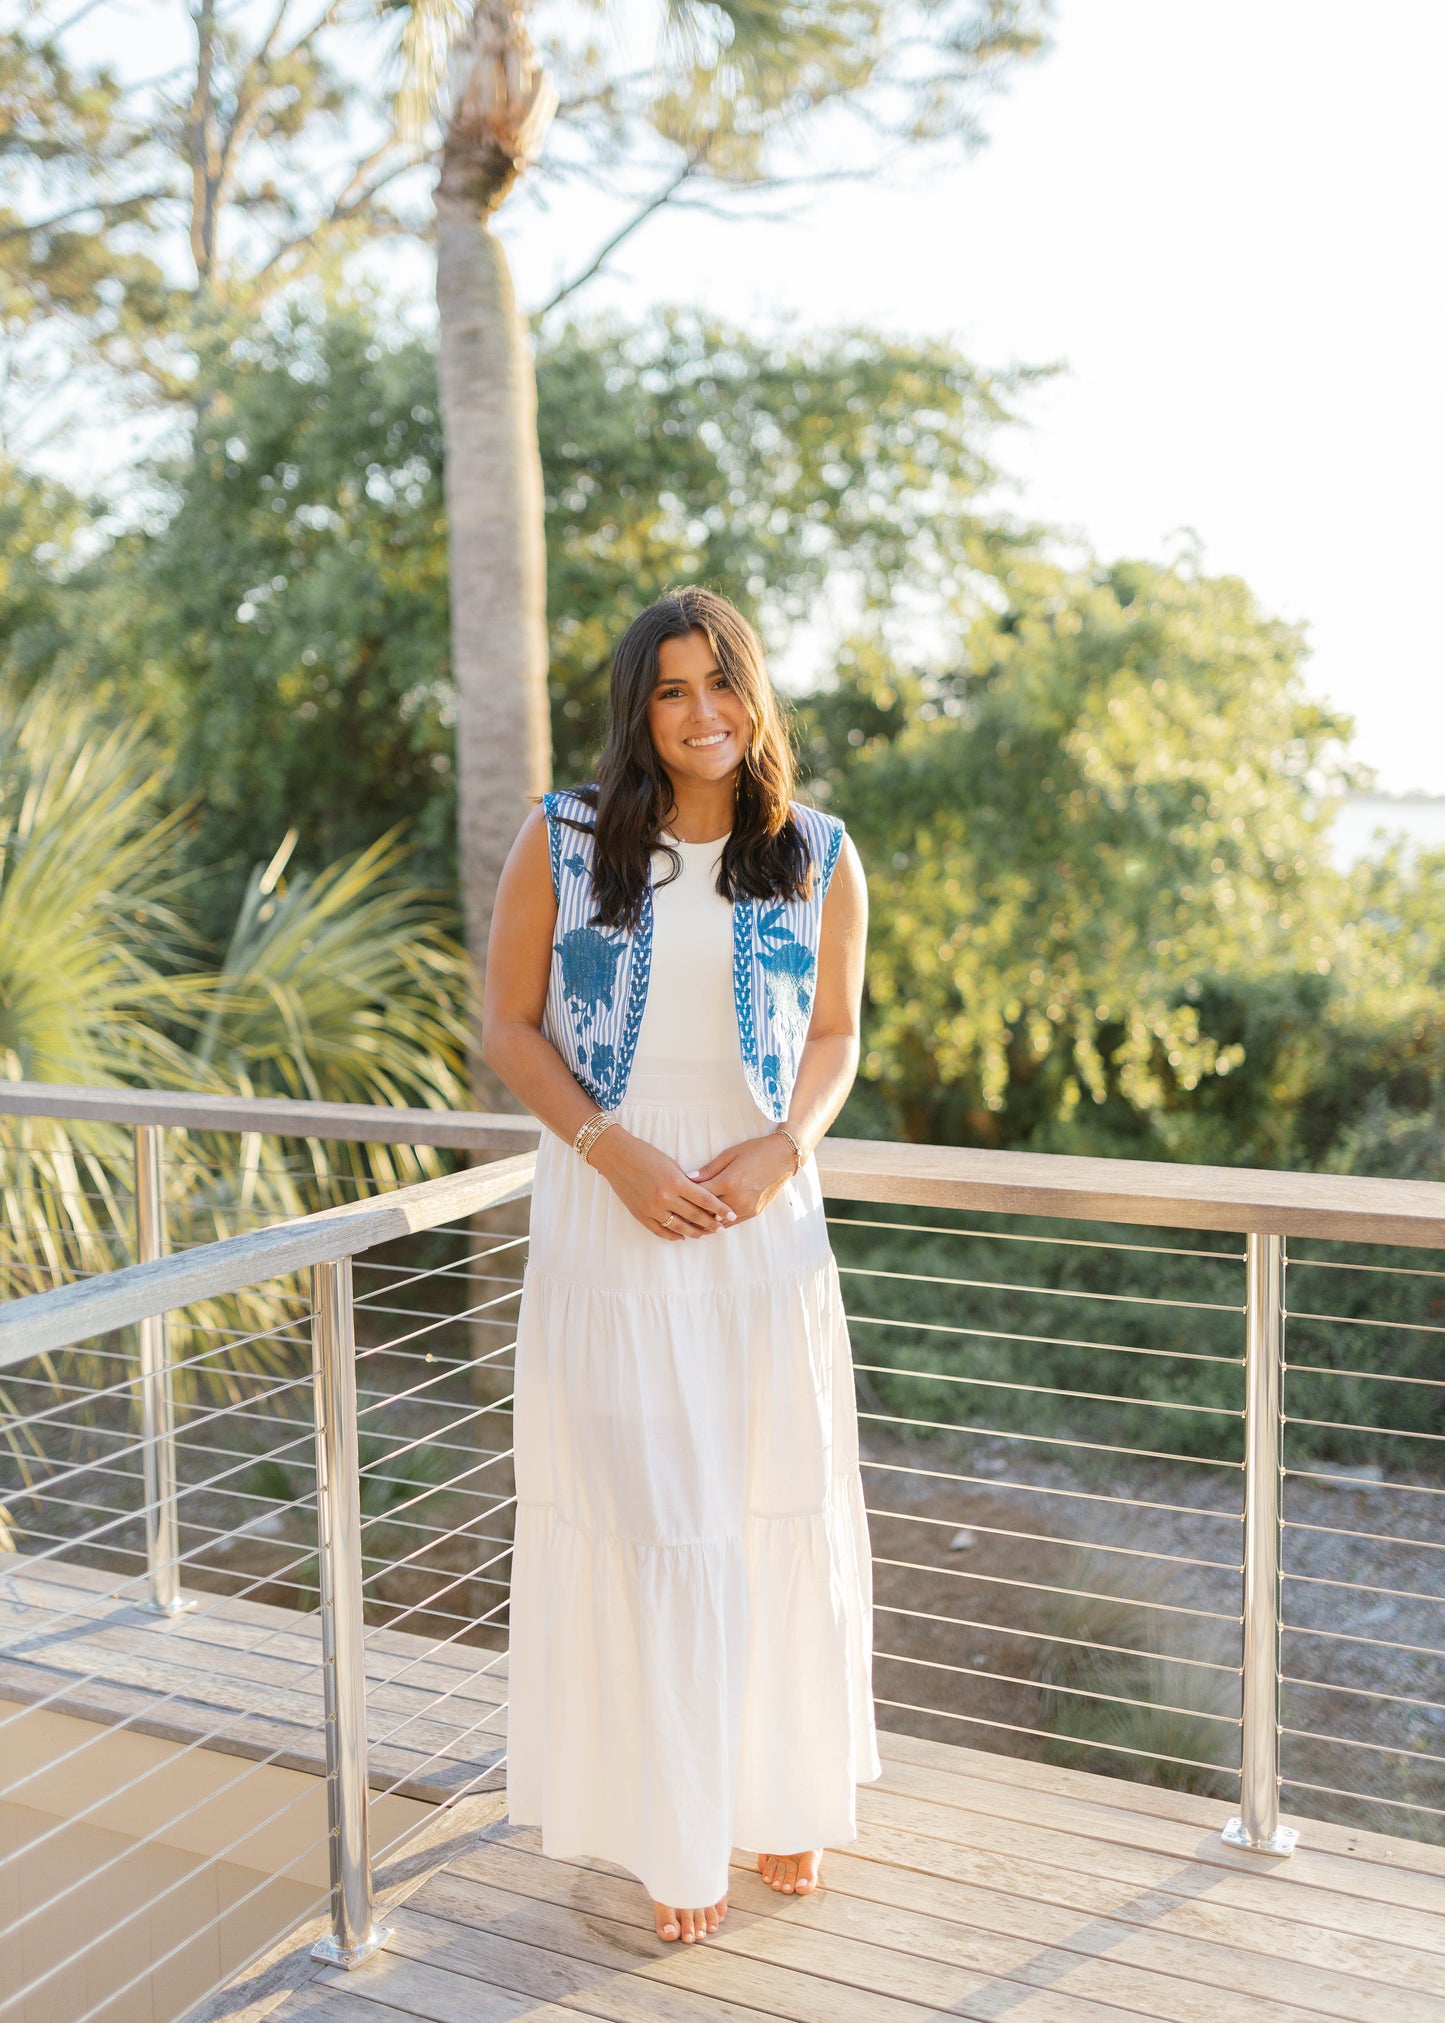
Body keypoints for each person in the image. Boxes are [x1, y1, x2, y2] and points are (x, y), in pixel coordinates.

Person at [483, 585, 879, 1947]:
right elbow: (509, 1026)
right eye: (669, 688)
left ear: (754, 693)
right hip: (615, 1211)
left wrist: (785, 1146)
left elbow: (833, 1037)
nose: (701, 713)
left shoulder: (816, 851)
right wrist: (614, 1155)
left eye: (721, 683)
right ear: (635, 708)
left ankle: (775, 1797)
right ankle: (671, 1824)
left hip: (763, 1219)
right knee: (659, 1518)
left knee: (772, 1501)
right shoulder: (564, 836)